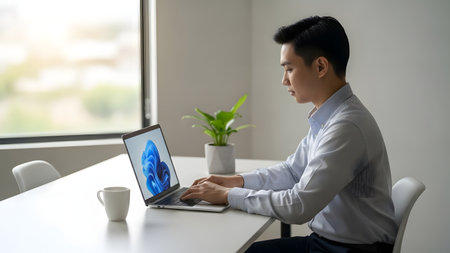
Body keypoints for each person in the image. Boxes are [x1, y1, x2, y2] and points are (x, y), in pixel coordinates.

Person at [181, 16, 397, 253]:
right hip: (332, 244)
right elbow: (293, 171)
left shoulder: (345, 127)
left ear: (321, 67)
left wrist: (228, 195)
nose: (284, 80)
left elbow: (299, 205)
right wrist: (236, 181)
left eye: (289, 69)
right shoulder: (331, 117)